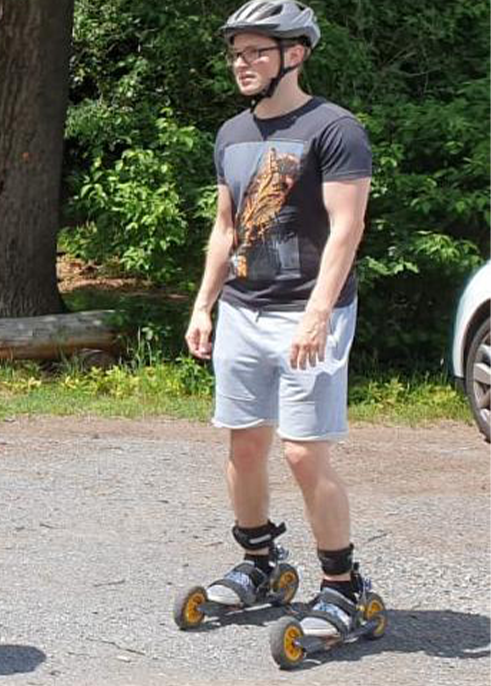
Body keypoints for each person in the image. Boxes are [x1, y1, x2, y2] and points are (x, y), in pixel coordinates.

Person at [184, 1, 377, 639]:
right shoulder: (231, 135)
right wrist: (204, 304)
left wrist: (319, 313)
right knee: (243, 441)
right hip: (243, 307)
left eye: (256, 52)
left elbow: (347, 229)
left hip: (307, 312)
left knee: (301, 452)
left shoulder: (335, 127)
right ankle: (259, 563)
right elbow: (225, 228)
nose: (242, 64)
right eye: (236, 53)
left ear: (294, 54)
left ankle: (343, 587)